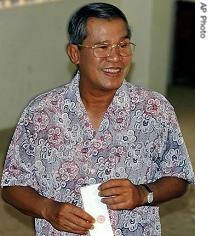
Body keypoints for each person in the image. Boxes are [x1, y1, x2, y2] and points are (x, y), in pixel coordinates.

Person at [1, 2, 194, 236]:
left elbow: (179, 176)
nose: (116, 57)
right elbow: (12, 184)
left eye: (123, 45)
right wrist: (48, 209)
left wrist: (144, 193)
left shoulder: (154, 109)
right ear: (74, 53)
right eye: (102, 47)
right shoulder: (42, 113)